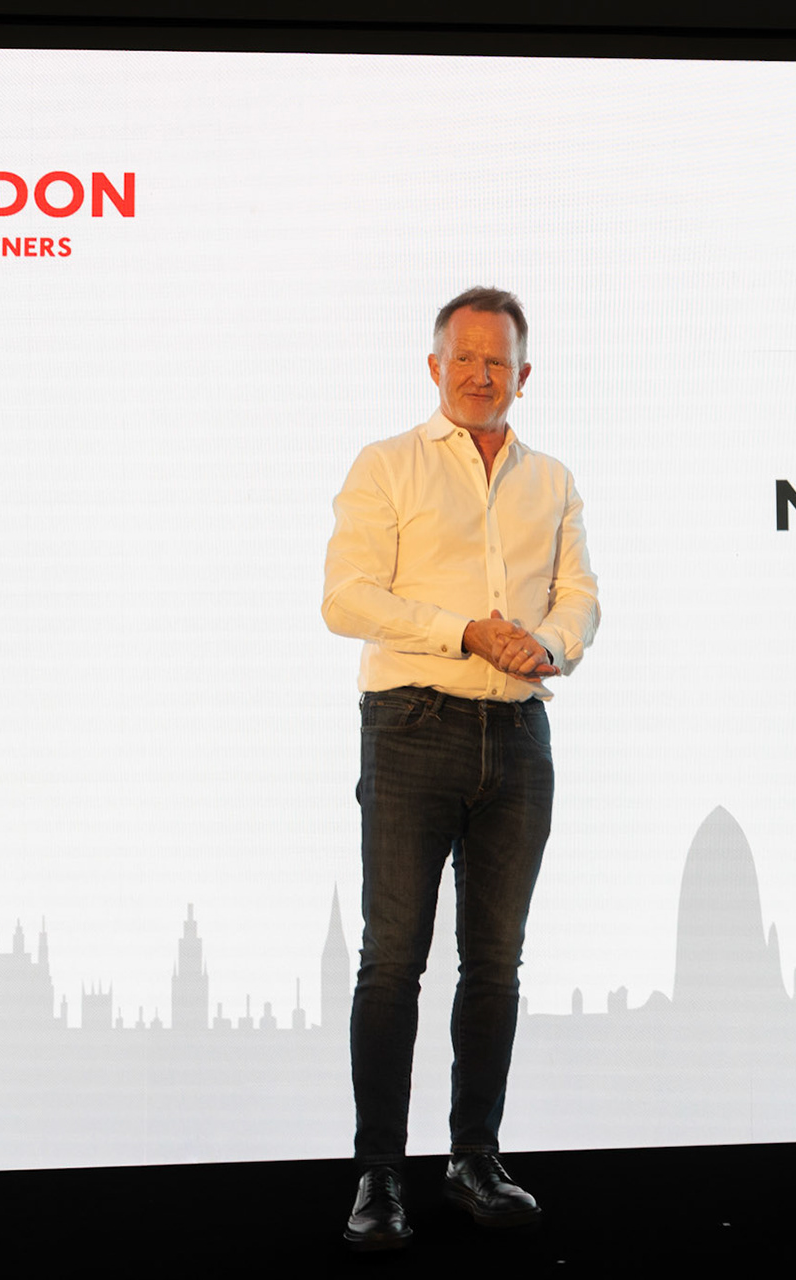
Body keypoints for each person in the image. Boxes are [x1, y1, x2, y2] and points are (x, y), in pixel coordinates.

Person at [322, 286, 599, 1249]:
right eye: (465, 358)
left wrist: (547, 646)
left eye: (499, 361)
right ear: (434, 366)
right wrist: (466, 631)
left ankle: (474, 1158)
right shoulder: (387, 464)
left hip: (519, 736)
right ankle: (378, 1174)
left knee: (495, 966)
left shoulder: (551, 479)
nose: (482, 375)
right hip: (412, 726)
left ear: (525, 374)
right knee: (392, 961)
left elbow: (580, 596)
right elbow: (346, 598)